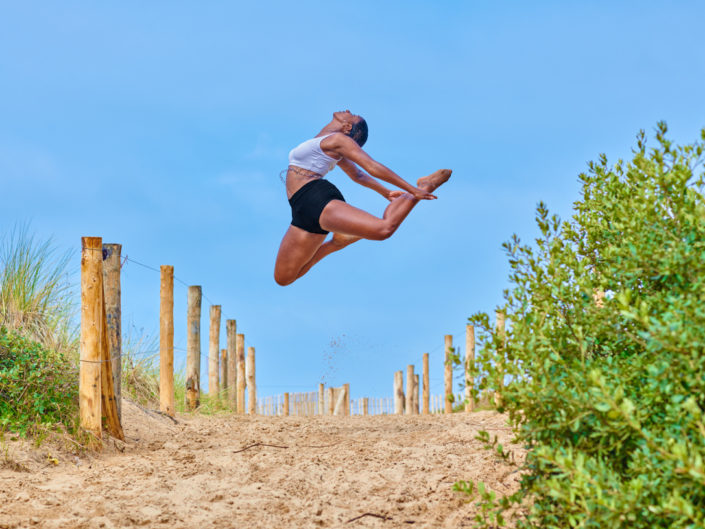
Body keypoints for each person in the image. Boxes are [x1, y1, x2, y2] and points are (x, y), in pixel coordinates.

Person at [274, 110, 452, 285]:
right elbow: (357, 175)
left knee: (384, 230)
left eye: (353, 115)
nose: (348, 110)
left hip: (315, 198)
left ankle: (426, 184)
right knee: (284, 277)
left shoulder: (338, 140)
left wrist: (412, 189)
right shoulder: (323, 142)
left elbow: (370, 166)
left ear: (347, 126)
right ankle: (337, 243)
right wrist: (385, 192)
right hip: (300, 207)